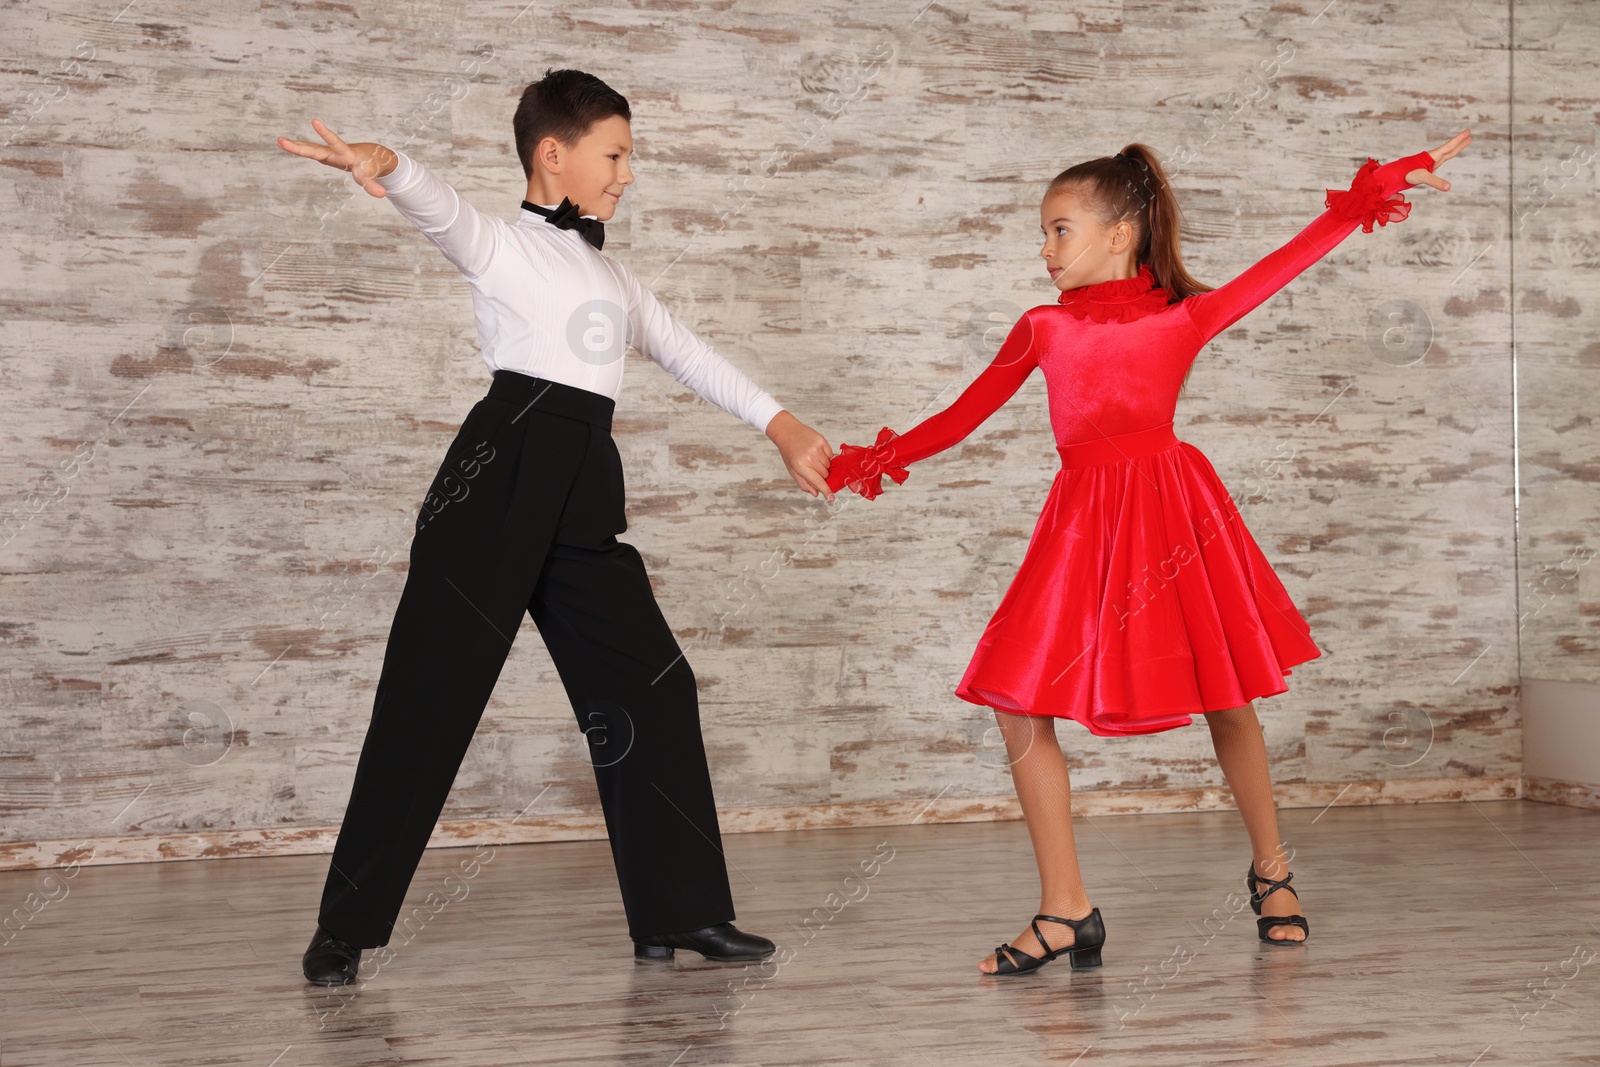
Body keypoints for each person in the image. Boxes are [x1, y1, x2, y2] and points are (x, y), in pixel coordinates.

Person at [826, 129, 1473, 974]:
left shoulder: (1182, 317)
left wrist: (1366, 197)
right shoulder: (1042, 329)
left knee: (1228, 688)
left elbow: (1280, 266)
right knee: (1015, 695)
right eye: (1044, 231)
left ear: (1120, 234)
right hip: (1082, 525)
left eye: (1060, 229)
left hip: (1173, 513)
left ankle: (1273, 874)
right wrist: (863, 462)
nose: (1045, 248)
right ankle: (1066, 909)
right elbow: (962, 415)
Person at [276, 68, 835, 985]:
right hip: (498, 476)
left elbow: (688, 353)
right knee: (428, 698)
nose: (626, 174)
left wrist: (781, 424)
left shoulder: (612, 275)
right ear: (554, 154)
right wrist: (388, 161)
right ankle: (344, 929)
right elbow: (437, 208)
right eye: (614, 155)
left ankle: (681, 913)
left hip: (582, 486)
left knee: (652, 688)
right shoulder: (501, 246)